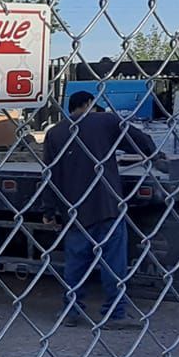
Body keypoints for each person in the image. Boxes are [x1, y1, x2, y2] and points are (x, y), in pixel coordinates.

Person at [42, 90, 156, 327]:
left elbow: (50, 175)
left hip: (74, 209)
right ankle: (115, 313)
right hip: (107, 205)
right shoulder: (106, 121)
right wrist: (153, 153)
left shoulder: (55, 133)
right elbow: (140, 141)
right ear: (89, 104)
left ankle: (72, 311)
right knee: (113, 261)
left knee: (76, 262)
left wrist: (49, 211)